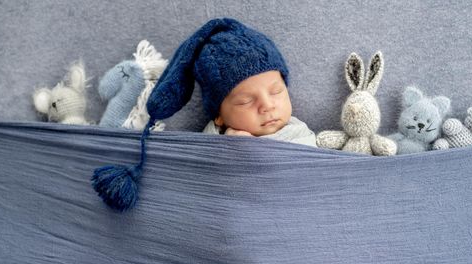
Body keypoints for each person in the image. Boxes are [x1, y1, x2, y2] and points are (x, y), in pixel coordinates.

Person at [92, 17, 316, 211]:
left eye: (276, 91)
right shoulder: (212, 140)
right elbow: (204, 183)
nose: (267, 105)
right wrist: (230, 151)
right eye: (246, 100)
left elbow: (315, 178)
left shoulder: (300, 133)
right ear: (219, 116)